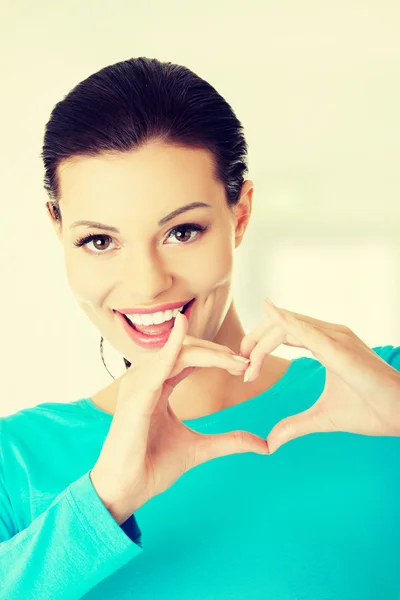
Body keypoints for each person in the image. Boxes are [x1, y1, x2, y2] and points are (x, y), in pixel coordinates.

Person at [0, 56, 399, 600]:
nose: (147, 284)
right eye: (99, 240)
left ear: (240, 214)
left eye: (182, 231)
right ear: (58, 228)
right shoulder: (17, 460)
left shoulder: (382, 392)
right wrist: (100, 503)